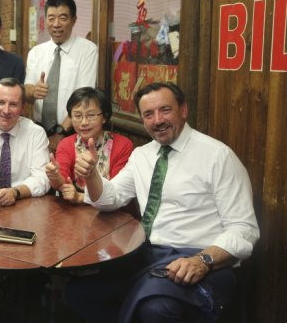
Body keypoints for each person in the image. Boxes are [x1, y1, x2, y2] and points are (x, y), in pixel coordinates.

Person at [66, 82, 260, 322]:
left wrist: (202, 261)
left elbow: (244, 229)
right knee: (80, 293)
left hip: (200, 260)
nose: (157, 120)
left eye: (165, 110)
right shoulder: (142, 155)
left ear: (184, 110)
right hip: (147, 256)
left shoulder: (217, 157)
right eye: (148, 114)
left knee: (156, 309)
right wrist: (92, 174)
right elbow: (110, 198)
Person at [24, 0, 98, 152]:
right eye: (51, 18)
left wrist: (61, 132)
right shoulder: (36, 52)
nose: (56, 24)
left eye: (63, 18)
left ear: (74, 20)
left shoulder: (88, 50)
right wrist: (33, 91)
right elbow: (26, 92)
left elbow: (84, 97)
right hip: (38, 131)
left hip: (71, 131)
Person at [46, 87, 133, 203]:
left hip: (113, 212)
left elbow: (117, 190)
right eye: (77, 116)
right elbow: (63, 185)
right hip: (74, 213)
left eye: (91, 115)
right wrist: (55, 176)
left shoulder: (123, 145)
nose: (84, 122)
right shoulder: (66, 144)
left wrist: (80, 198)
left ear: (104, 117)